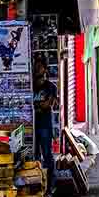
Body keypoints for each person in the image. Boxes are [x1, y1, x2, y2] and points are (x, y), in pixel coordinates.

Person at [33, 57, 58, 187]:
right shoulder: (30, 86)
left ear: (45, 69)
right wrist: (39, 104)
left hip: (45, 125)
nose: (37, 69)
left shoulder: (50, 87)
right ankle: (38, 184)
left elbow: (48, 105)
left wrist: (35, 105)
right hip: (31, 127)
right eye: (35, 66)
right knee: (34, 156)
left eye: (40, 67)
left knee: (47, 155)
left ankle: (51, 184)